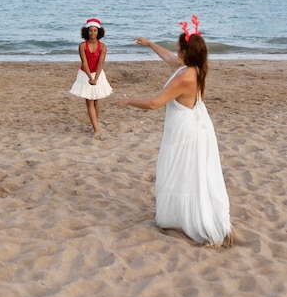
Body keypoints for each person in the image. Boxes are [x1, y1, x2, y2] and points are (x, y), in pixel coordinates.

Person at [116, 15, 233, 248]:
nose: (175, 48)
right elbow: (169, 58)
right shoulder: (193, 68)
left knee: (180, 170)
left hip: (185, 130)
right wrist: (150, 44)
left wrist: (129, 100)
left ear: (185, 50)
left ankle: (187, 218)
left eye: (178, 45)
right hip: (192, 125)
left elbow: (154, 103)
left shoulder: (186, 77)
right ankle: (178, 214)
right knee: (185, 171)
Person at [69, 18, 112, 138]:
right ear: (86, 31)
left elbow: (100, 64)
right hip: (85, 74)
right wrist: (90, 78)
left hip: (98, 74)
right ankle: (96, 129)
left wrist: (96, 79)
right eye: (90, 30)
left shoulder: (103, 46)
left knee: (96, 100)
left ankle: (95, 125)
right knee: (90, 101)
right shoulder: (82, 45)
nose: (93, 33)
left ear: (99, 32)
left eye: (95, 30)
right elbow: (85, 63)